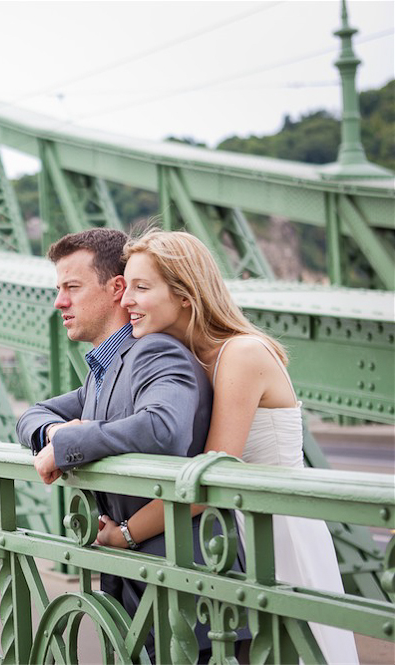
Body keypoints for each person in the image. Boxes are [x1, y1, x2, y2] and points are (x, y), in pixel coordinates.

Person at [95, 229, 356, 663]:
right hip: (227, 536)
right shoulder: (184, 359)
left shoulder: (242, 354)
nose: (126, 300)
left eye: (141, 287)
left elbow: (210, 476)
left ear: (185, 295)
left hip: (273, 532)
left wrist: (125, 534)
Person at [15, 227, 232, 661]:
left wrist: (71, 440)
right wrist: (56, 434)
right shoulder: (105, 369)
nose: (59, 302)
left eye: (72, 287)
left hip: (185, 584)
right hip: (144, 579)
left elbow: (163, 429)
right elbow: (31, 416)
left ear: (115, 289)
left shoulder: (155, 352)